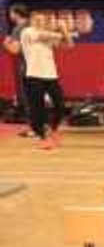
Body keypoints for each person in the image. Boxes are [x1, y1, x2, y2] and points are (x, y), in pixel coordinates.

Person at [20, 10, 72, 150]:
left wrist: (64, 30)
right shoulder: (27, 32)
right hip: (34, 75)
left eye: (42, 20)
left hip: (51, 75)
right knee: (37, 108)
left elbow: (69, 45)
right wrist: (62, 31)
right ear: (31, 21)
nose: (40, 22)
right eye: (37, 20)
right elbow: (43, 35)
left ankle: (53, 130)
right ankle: (42, 137)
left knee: (60, 106)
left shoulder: (48, 35)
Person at [2, 3, 32, 134]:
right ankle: (40, 125)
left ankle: (33, 127)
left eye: (11, 12)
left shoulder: (18, 29)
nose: (10, 15)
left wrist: (5, 43)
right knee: (36, 96)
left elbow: (15, 50)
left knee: (28, 97)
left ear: (16, 13)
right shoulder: (32, 26)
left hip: (26, 66)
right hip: (38, 65)